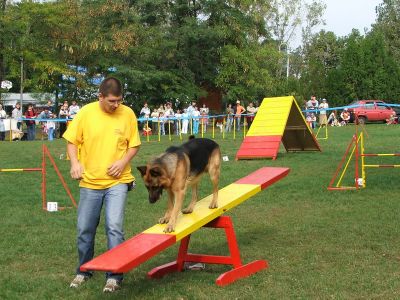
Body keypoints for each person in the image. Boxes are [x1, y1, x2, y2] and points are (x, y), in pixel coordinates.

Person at [64, 77, 141, 293]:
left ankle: (114, 276)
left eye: (119, 100)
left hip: (118, 181)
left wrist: (122, 162)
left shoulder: (128, 114)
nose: (116, 105)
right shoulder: (86, 113)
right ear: (100, 97)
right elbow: (72, 142)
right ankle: (83, 270)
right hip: (90, 181)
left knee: (114, 227)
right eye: (112, 101)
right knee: (84, 229)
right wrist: (75, 163)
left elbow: (134, 145)